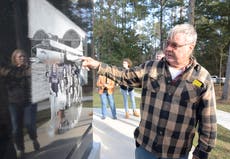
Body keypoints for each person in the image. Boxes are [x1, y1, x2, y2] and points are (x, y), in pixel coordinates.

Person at [81, 23, 217, 159]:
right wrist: (98, 65)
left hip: (176, 153)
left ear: (190, 47)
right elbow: (124, 75)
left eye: (175, 45)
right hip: (145, 149)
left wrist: (201, 153)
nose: (168, 49)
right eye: (167, 43)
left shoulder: (202, 78)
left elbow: (208, 121)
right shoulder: (151, 67)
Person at [0, 49, 40, 158]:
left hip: (29, 101)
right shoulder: (9, 71)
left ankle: (34, 138)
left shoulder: (30, 69)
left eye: (23, 56)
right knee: (16, 128)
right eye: (19, 57)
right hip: (14, 103)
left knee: (29, 124)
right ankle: (20, 148)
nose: (22, 58)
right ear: (15, 59)